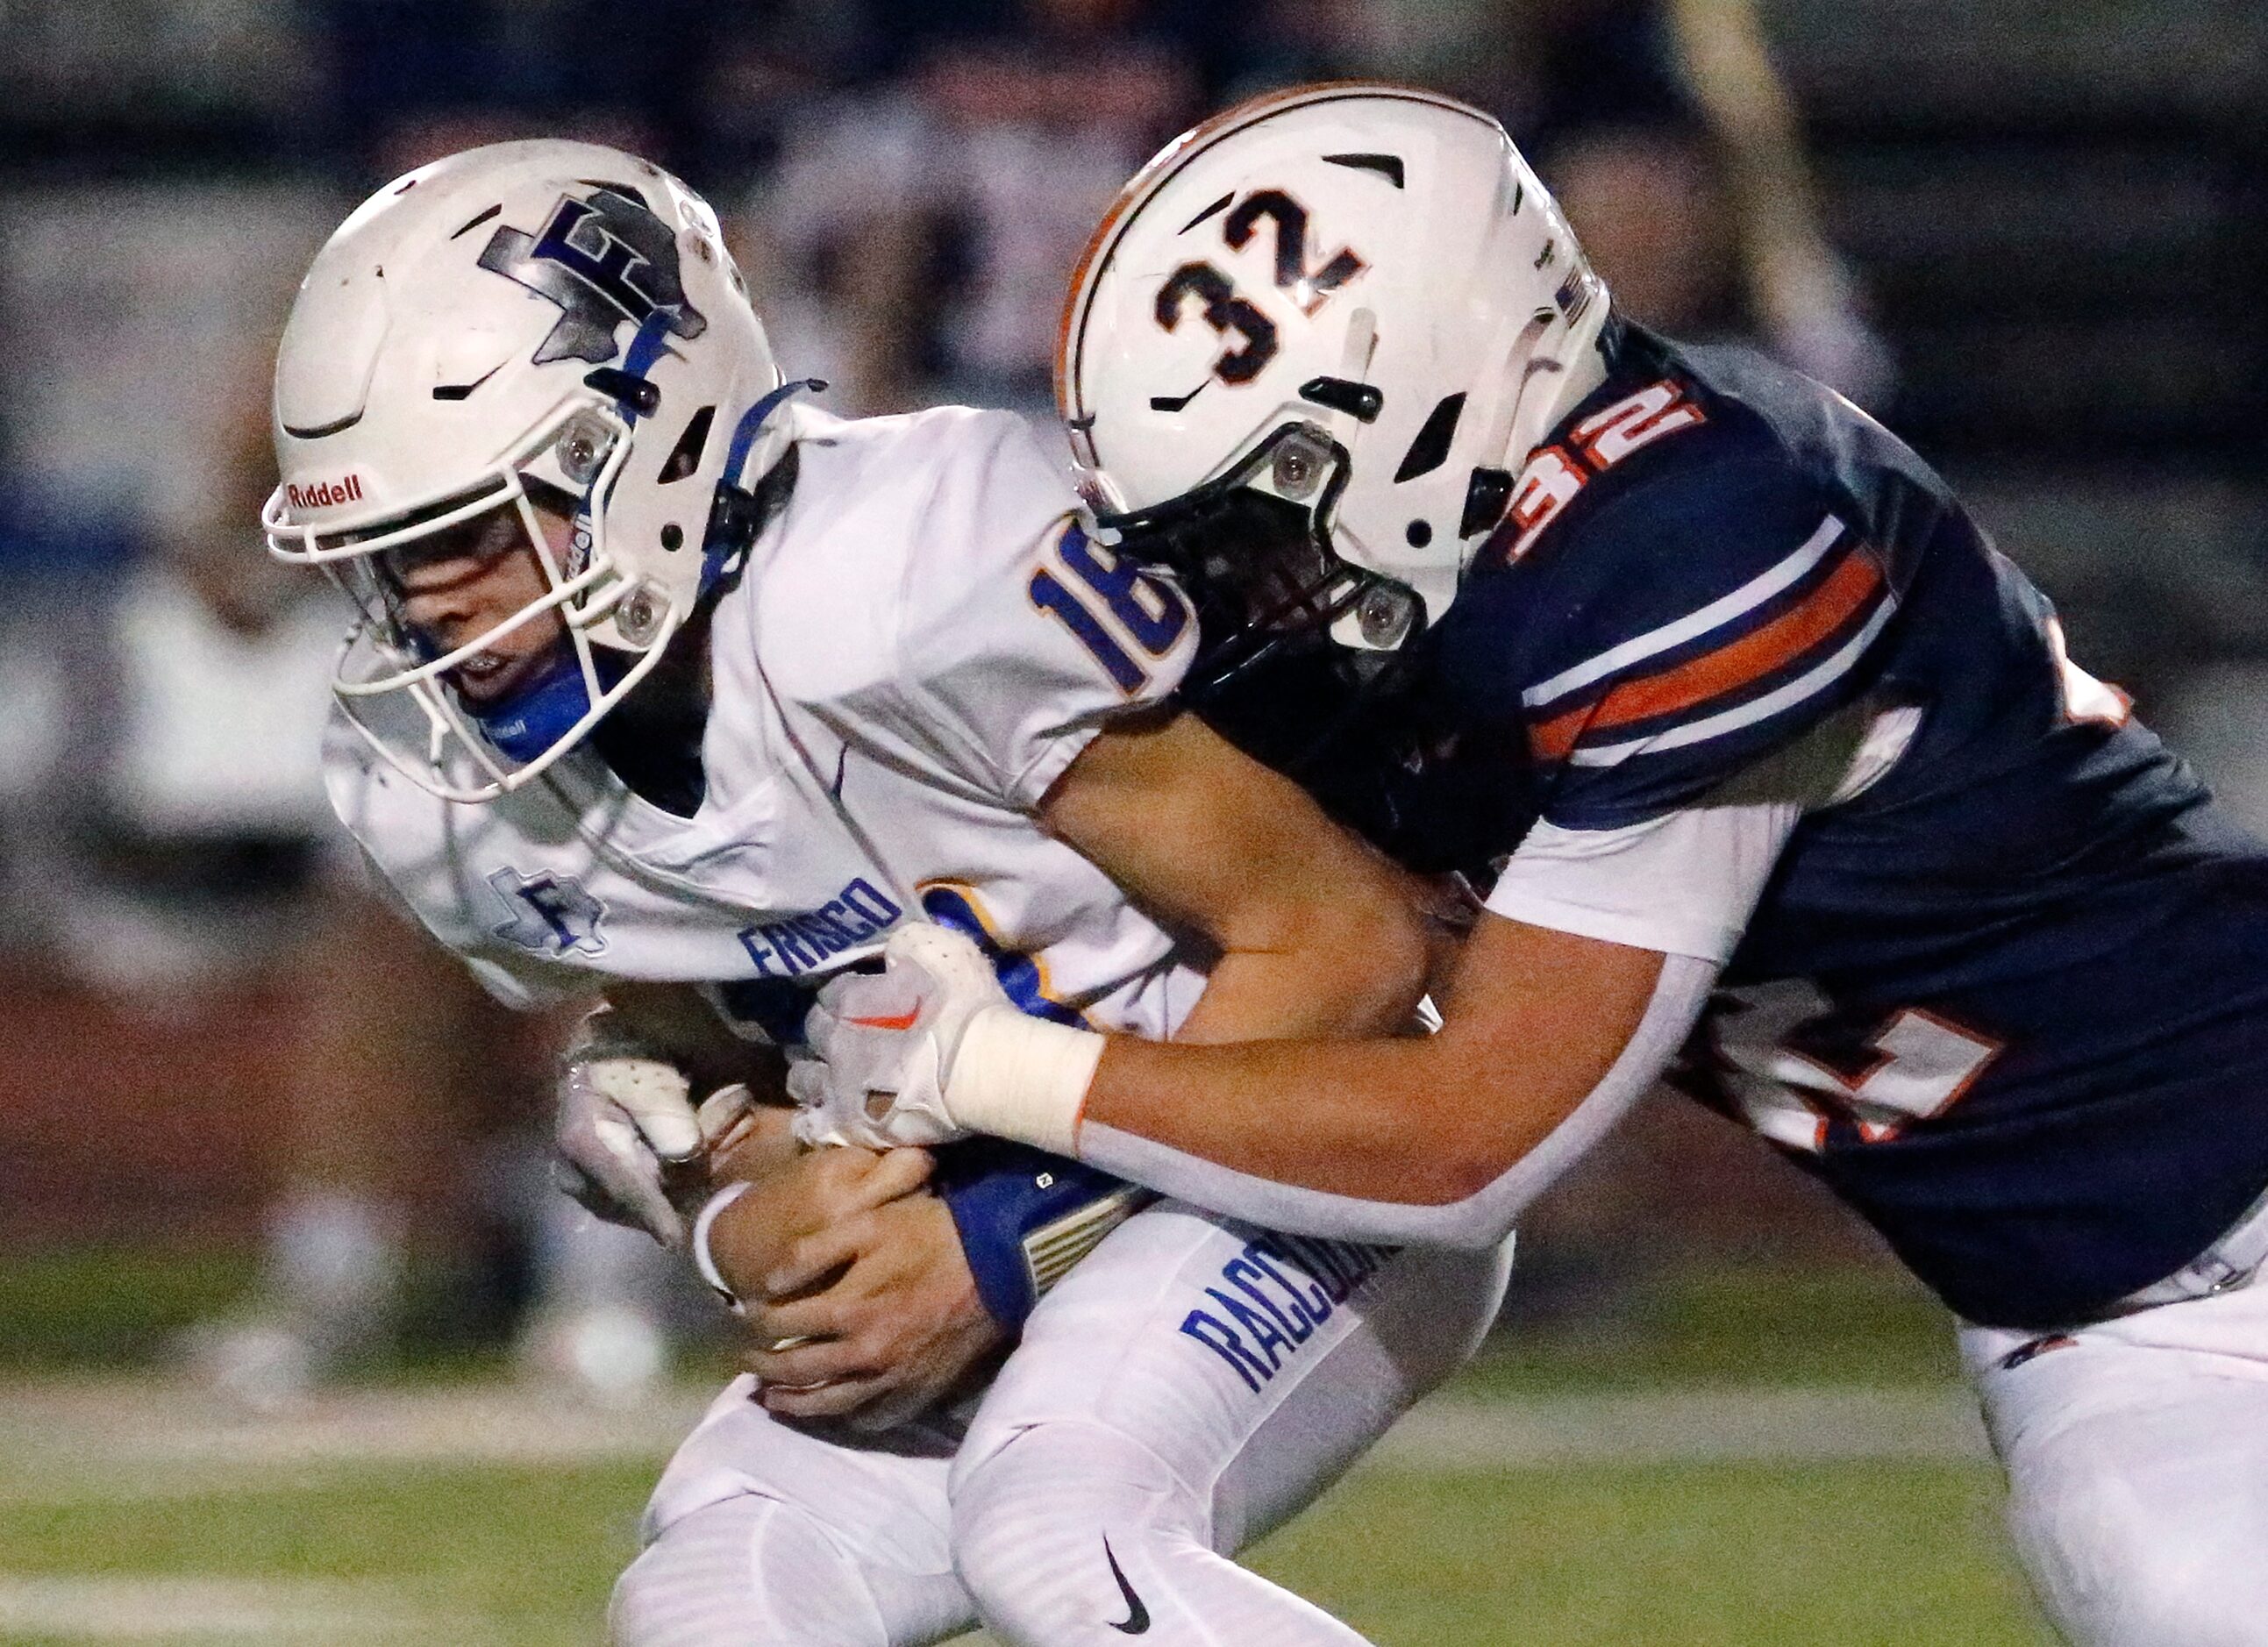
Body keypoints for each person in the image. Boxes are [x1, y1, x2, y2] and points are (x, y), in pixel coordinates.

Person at [796, 84, 2268, 1647]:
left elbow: (1473, 1137)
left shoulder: (1700, 526)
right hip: (2092, 1324)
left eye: (1263, 515)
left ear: (1445, 385)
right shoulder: (1423, 614)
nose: (1243, 590)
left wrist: (986, 1068)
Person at [259, 138, 1509, 1646]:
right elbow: (716, 1076)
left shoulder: (908, 574)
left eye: (469, 531)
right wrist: (724, 1208)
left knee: (1056, 1528)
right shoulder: (427, 783)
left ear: (643, 444)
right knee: (715, 1598)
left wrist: (1000, 1244)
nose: (429, 608)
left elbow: (1346, 941)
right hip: (988, 1190)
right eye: (387, 559)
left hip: (1299, 1135)